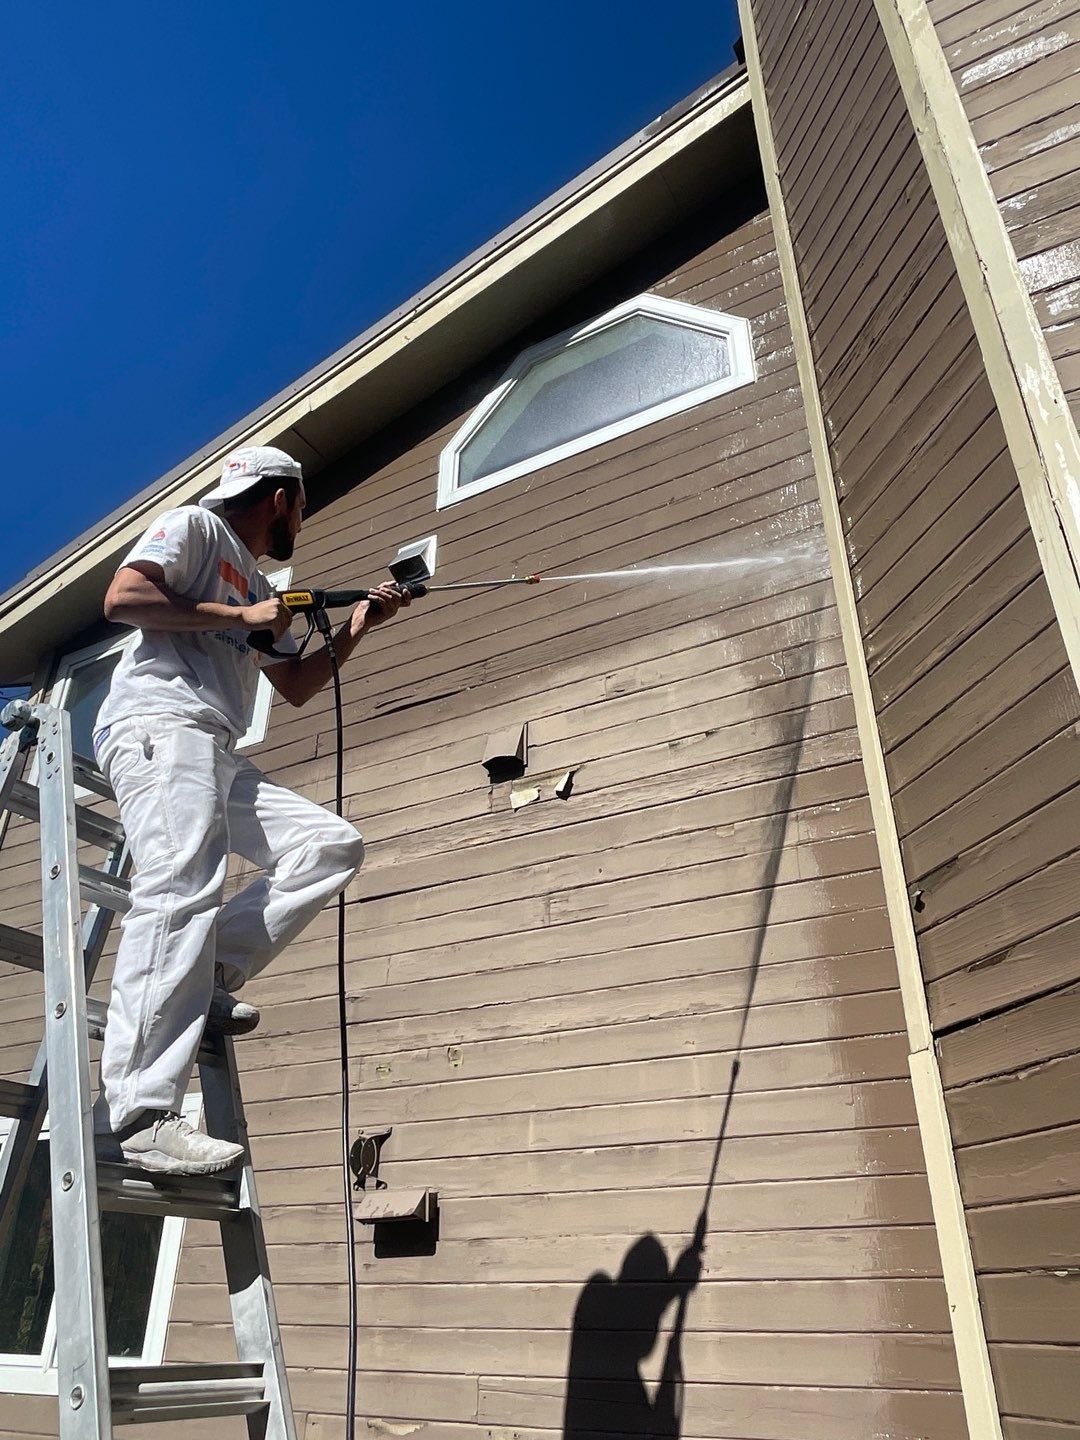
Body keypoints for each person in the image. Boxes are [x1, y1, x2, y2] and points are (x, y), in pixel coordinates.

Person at [91, 445, 409, 1176]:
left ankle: (204, 981)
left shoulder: (261, 583)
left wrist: (361, 621)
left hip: (215, 745)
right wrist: (240, 612)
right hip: (161, 722)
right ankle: (138, 1112)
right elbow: (122, 599)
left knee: (330, 846)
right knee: (178, 884)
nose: (303, 515)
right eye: (302, 502)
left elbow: (295, 684)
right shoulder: (197, 530)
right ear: (280, 497)